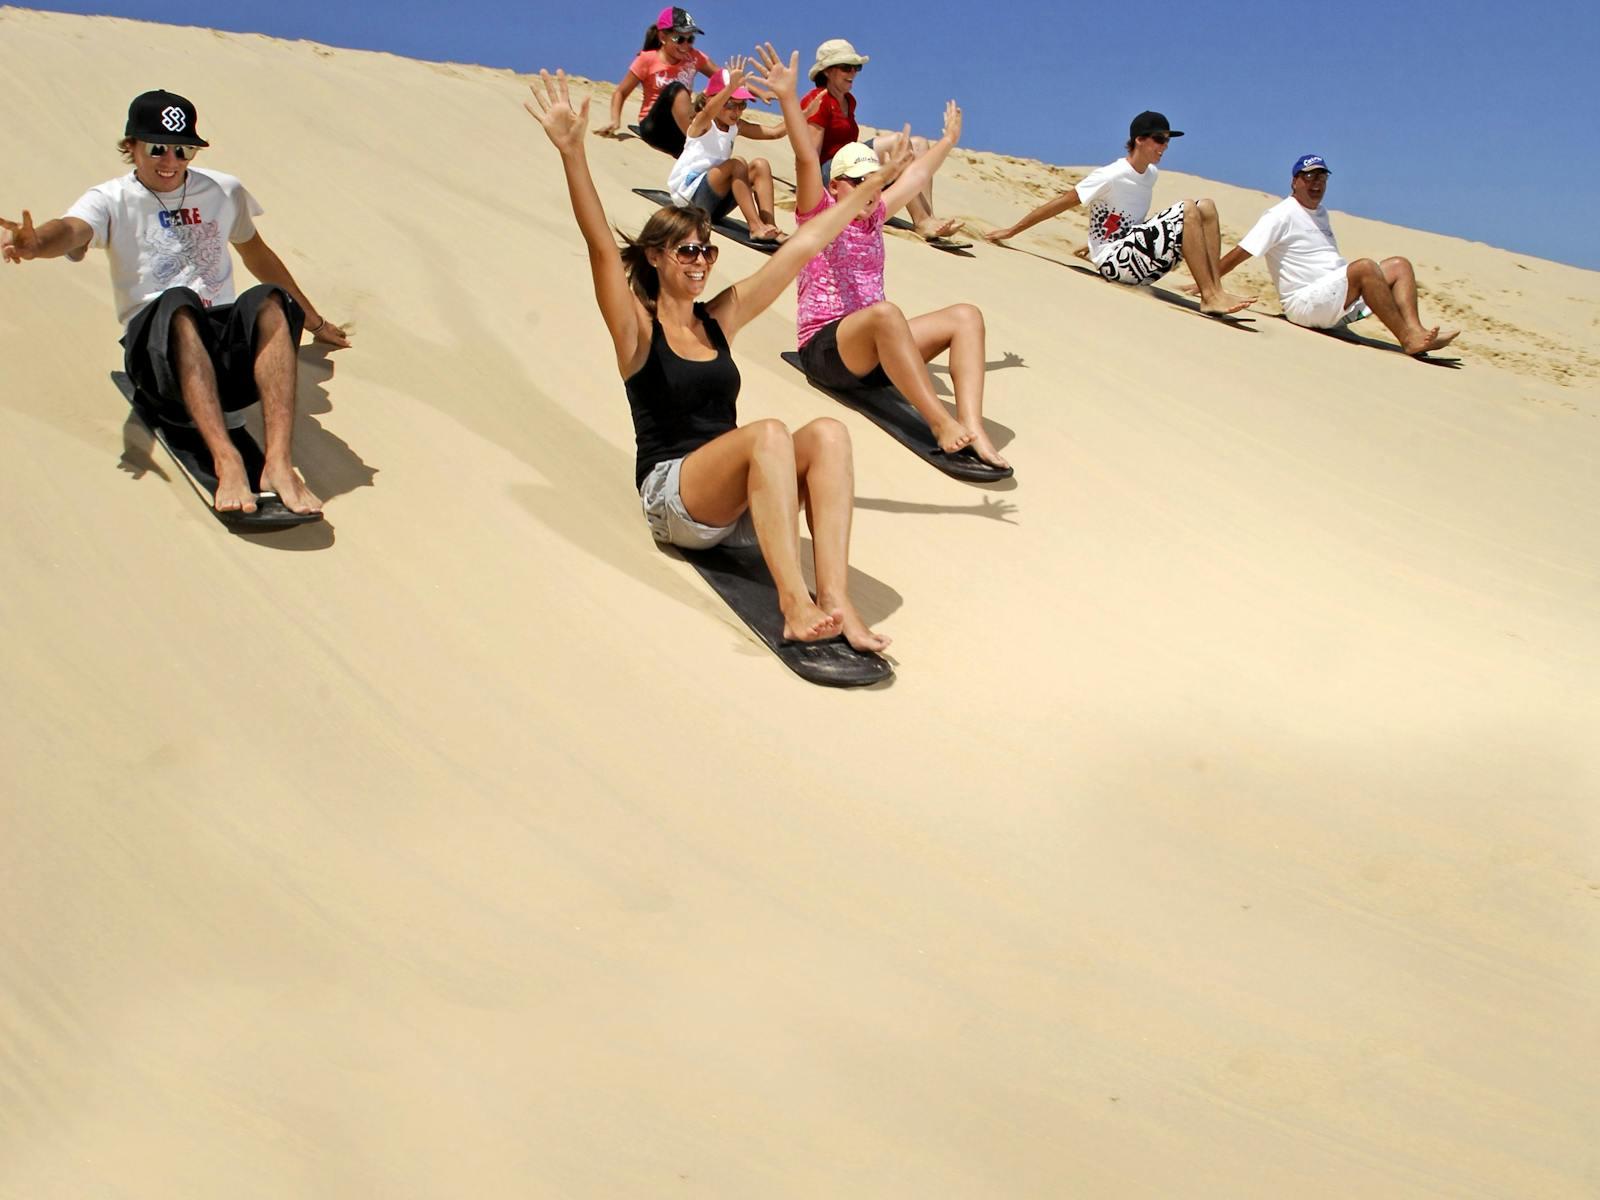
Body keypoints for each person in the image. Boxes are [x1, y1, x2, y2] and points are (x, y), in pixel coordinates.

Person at [526, 66, 896, 653]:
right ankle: (793, 604)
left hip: (739, 501)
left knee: (828, 433)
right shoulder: (636, 329)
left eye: (708, 249)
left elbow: (800, 247)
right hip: (673, 497)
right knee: (769, 432)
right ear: (654, 256)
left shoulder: (717, 318)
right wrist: (573, 152)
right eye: (687, 251)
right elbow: (600, 244)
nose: (701, 261)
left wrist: (870, 192)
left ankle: (835, 599)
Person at [0, 89, 348, 516]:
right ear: (131, 147)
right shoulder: (109, 199)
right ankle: (227, 459)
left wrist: (314, 323)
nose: (170, 162)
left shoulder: (223, 190)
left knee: (269, 300)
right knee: (179, 304)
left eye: (183, 151)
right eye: (158, 149)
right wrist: (37, 244)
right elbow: (70, 230)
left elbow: (257, 254)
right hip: (156, 356)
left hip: (223, 361)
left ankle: (277, 462)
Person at [758, 43, 1009, 471]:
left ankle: (972, 425)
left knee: (966, 315)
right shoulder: (816, 213)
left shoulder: (874, 215)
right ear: (835, 184)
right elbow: (804, 156)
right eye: (858, 181)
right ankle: (940, 424)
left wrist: (948, 141)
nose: (869, 189)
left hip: (874, 351)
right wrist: (786, 97)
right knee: (886, 314)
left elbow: (916, 175)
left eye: (873, 181)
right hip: (826, 352)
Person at [984, 111, 1255, 316]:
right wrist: (1011, 231)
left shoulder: (1150, 174)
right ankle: (1209, 297)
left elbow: (1125, 222)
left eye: (1167, 141)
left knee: (1206, 205)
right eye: (1159, 139)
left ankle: (1215, 289)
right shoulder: (1110, 175)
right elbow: (1063, 202)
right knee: (1186, 208)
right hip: (1115, 265)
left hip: (1134, 259)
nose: (1165, 146)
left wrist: (1093, 242)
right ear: (1139, 140)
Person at [1211, 155, 1460, 355]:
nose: (1316, 183)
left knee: (1400, 265)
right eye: (1309, 177)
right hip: (1304, 303)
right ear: (1294, 181)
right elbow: (1243, 250)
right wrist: (1209, 283)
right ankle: (1407, 339)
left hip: (1331, 298)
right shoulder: (1281, 214)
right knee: (1364, 267)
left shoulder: (1320, 213)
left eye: (1321, 177)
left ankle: (1417, 332)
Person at [800, 38, 961, 240]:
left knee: (919, 144)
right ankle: (922, 222)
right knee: (897, 143)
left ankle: (929, 215)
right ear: (827, 71)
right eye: (846, 67)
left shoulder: (849, 101)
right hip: (829, 176)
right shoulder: (818, 100)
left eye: (856, 67)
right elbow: (810, 156)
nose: (853, 73)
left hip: (853, 166)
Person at [667, 57, 787, 241]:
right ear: (711, 99)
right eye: (730, 104)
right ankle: (755, 227)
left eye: (741, 105)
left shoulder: (734, 126)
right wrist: (730, 88)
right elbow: (708, 112)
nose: (736, 111)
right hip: (688, 199)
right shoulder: (702, 124)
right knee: (737, 163)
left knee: (760, 165)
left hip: (715, 202)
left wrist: (800, 111)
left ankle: (770, 226)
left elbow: (774, 133)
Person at [595, 7, 716, 157]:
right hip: (654, 127)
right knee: (676, 89)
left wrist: (750, 88)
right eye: (679, 39)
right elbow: (621, 92)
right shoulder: (647, 59)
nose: (686, 45)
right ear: (663, 37)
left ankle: (699, 150)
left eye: (690, 39)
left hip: (679, 129)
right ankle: (696, 144)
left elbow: (726, 78)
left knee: (714, 98)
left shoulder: (695, 57)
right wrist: (615, 120)